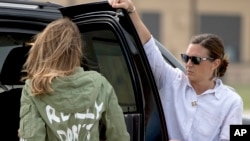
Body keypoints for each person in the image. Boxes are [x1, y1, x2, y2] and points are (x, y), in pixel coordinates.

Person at [109, 0, 243, 141]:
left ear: (215, 64)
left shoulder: (232, 102)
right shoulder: (172, 80)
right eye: (186, 58)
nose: (189, 64)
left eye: (196, 60)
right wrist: (132, 11)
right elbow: (149, 46)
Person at [18, 17, 130, 141]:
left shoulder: (34, 88)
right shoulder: (101, 84)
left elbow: (32, 138)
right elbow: (120, 136)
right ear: (77, 50)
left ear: (44, 50)